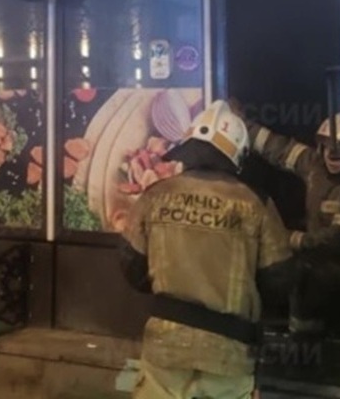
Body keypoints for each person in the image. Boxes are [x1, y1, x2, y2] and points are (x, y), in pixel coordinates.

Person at [119, 100, 297, 399]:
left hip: (165, 348)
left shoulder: (155, 195)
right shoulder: (256, 203)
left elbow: (131, 266)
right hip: (228, 352)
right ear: (237, 154)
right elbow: (279, 280)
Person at [244, 110, 340, 339]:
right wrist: (239, 123)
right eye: (328, 145)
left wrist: (291, 239)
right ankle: (304, 344)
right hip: (316, 263)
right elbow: (276, 147)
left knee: (306, 275)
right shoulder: (314, 164)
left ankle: (312, 342)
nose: (333, 153)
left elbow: (339, 238)